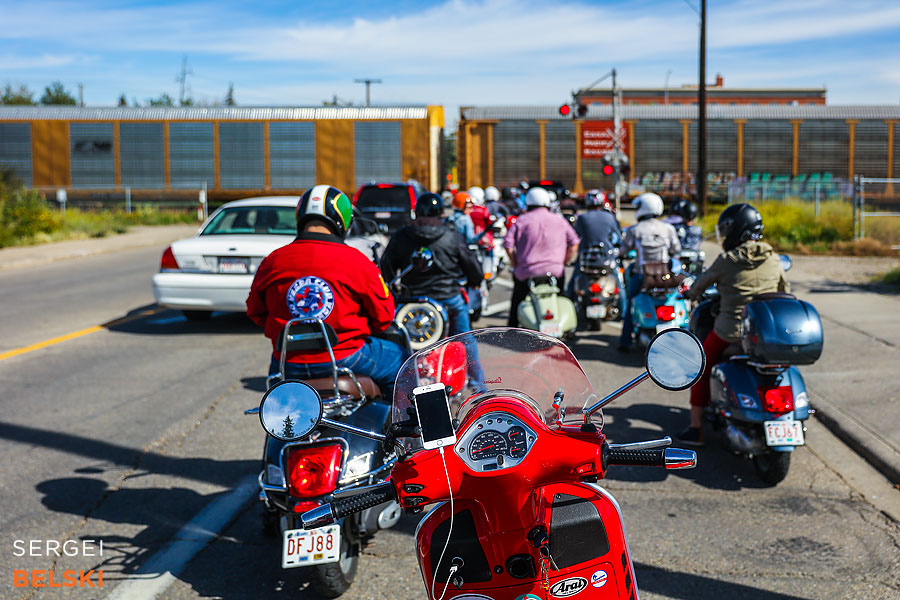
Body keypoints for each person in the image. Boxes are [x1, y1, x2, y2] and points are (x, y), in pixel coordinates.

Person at [246, 184, 408, 397]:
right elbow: (384, 318)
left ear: (300, 217)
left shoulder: (273, 261)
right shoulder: (358, 261)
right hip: (347, 357)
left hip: (288, 363)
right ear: (343, 221)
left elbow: (255, 312)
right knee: (403, 361)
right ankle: (399, 425)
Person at [676, 203, 790, 446]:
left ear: (736, 230)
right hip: (765, 333)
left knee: (701, 367)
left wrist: (691, 293)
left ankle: (695, 428)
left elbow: (700, 285)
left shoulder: (727, 260)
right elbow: (784, 290)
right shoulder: (773, 257)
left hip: (730, 332)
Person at [380, 192, 483, 337]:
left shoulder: (401, 235)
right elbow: (472, 266)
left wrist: (396, 292)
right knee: (465, 341)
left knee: (401, 345)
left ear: (417, 212)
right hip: (448, 296)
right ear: (441, 212)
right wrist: (475, 281)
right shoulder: (452, 235)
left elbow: (386, 267)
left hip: (412, 299)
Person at [503, 187, 580, 328]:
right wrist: (563, 262)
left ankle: (512, 329)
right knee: (561, 298)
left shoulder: (522, 220)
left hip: (526, 272)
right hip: (555, 271)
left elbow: (508, 244)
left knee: (517, 301)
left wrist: (515, 264)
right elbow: (574, 242)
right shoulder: (559, 220)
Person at [617, 192, 682, 352]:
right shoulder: (668, 228)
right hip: (664, 276)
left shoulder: (635, 230)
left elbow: (623, 250)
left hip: (642, 276)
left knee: (631, 304)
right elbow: (676, 249)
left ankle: (625, 341)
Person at [568, 190, 625, 315]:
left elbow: (575, 237)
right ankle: (623, 313)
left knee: (571, 285)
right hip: (606, 259)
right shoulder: (609, 217)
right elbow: (619, 237)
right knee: (620, 285)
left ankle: (569, 311)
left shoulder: (582, 218)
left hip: (586, 260)